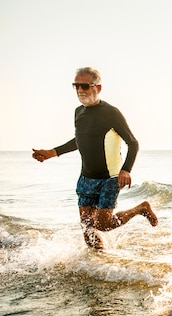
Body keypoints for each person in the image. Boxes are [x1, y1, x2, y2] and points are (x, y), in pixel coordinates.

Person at [32, 67, 157, 249]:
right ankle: (99, 265)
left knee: (104, 224)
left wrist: (126, 170)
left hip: (110, 178)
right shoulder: (78, 112)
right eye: (76, 86)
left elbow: (133, 142)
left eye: (85, 86)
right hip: (86, 178)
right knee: (88, 229)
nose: (80, 90)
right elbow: (80, 139)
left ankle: (141, 208)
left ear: (98, 88)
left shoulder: (111, 113)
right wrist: (53, 152)